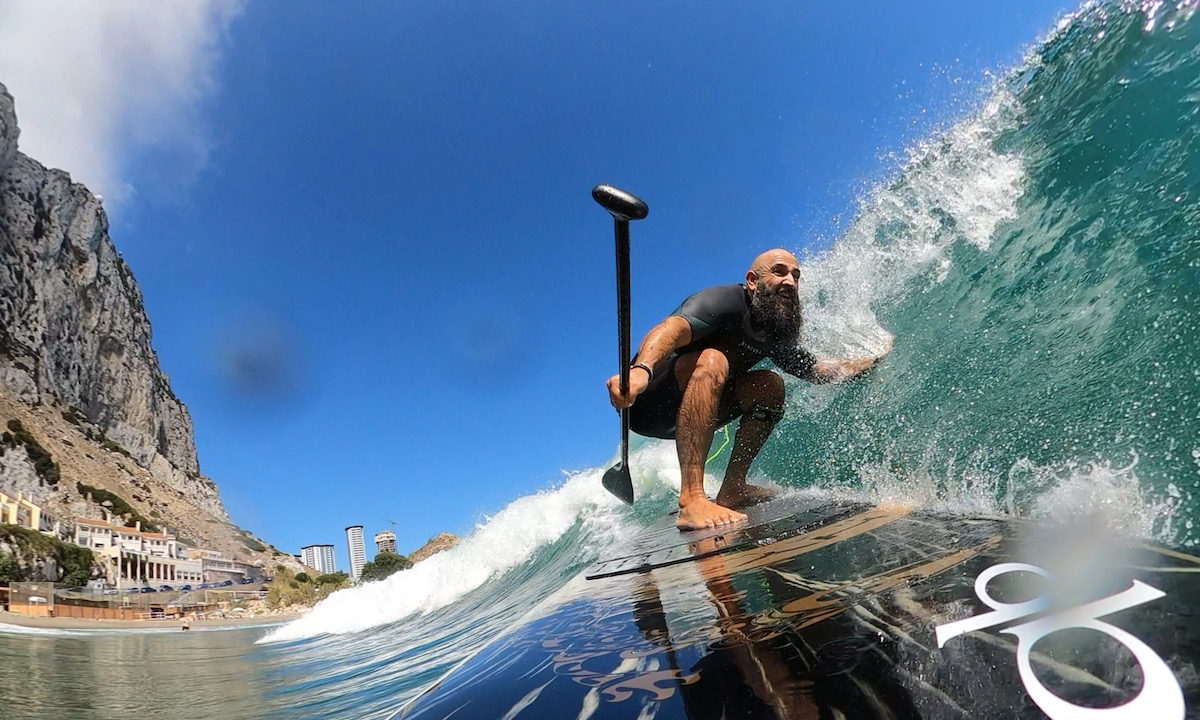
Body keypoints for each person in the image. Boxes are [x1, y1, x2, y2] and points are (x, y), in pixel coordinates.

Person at [606, 248, 892, 530]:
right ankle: (692, 499)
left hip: (692, 412)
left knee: (770, 385)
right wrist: (641, 370)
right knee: (714, 359)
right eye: (779, 272)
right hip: (647, 403)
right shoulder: (726, 301)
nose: (790, 281)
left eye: (796, 276)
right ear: (753, 280)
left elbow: (816, 370)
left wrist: (874, 361)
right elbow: (671, 329)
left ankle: (733, 488)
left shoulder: (774, 331)